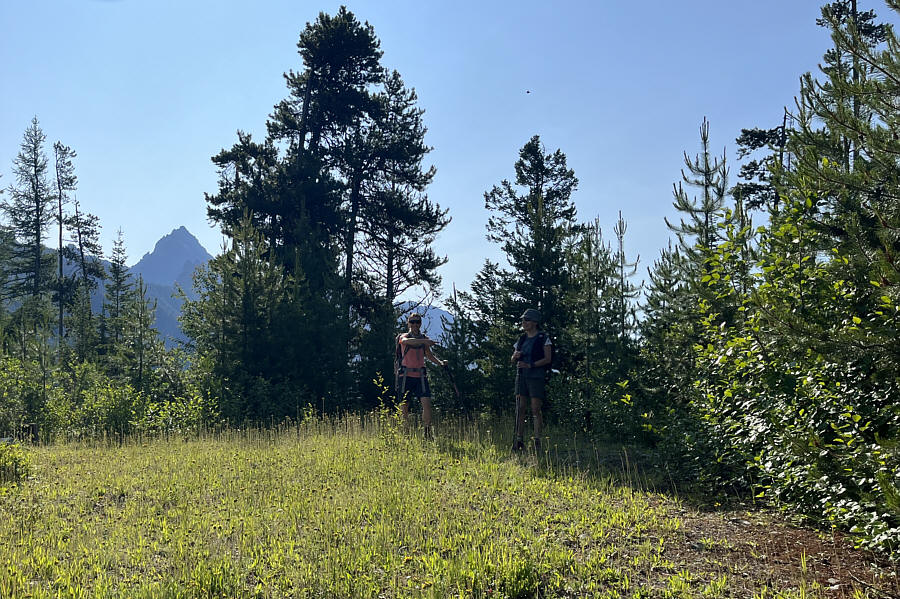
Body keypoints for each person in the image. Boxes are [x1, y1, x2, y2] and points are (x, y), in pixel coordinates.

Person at [396, 313, 446, 440]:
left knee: (427, 404)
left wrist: (440, 363)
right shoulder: (404, 337)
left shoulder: (424, 340)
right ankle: (405, 433)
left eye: (417, 322)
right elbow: (407, 342)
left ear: (420, 323)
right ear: (408, 323)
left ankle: (428, 432)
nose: (414, 324)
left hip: (420, 376)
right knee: (404, 406)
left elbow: (429, 356)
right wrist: (426, 341)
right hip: (405, 376)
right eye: (412, 322)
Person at [511, 308, 552, 452]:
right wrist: (515, 357)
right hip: (521, 375)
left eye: (526, 320)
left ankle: (537, 439)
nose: (524, 323)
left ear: (534, 322)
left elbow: (548, 359)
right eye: (523, 320)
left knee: (535, 408)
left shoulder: (543, 338)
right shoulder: (521, 339)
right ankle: (519, 439)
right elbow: (512, 359)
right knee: (520, 408)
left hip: (536, 376)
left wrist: (531, 365)